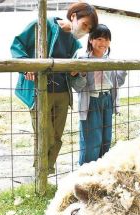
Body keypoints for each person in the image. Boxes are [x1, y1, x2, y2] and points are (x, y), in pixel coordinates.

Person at [10, 2, 98, 174]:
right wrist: (27, 66)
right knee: (45, 134)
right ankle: (41, 172)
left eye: (89, 29)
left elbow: (74, 72)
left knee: (57, 136)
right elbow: (17, 44)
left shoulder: (75, 44)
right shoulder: (43, 24)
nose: (86, 30)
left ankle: (46, 171)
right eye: (85, 24)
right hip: (39, 91)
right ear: (73, 16)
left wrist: (74, 72)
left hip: (63, 93)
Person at [71, 24, 127, 165]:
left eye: (107, 40)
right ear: (91, 40)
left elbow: (117, 83)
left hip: (107, 100)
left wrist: (125, 69)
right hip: (91, 101)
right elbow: (77, 86)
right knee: (91, 140)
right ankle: (85, 173)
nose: (104, 43)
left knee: (106, 139)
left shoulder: (110, 61)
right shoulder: (82, 59)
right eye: (100, 39)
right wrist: (82, 74)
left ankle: (101, 171)